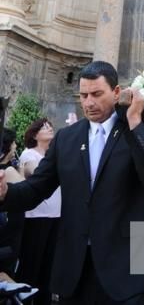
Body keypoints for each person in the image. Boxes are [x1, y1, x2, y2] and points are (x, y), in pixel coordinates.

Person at [0, 60, 144, 305]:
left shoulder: (138, 127)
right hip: (74, 269)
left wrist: (134, 122)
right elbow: (36, 188)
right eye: (83, 95)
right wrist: (6, 193)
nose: (89, 103)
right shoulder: (67, 138)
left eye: (97, 94)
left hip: (128, 267)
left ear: (116, 92)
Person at [15, 119, 61, 305]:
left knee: (48, 266)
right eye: (44, 127)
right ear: (35, 135)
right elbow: (37, 174)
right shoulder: (29, 155)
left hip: (56, 215)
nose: (49, 128)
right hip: (36, 216)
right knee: (32, 264)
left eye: (50, 126)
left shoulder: (53, 154)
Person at [0, 129, 23, 277]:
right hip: (11, 227)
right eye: (14, 142)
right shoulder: (7, 170)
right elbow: (25, 189)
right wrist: (20, 167)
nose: (15, 146)